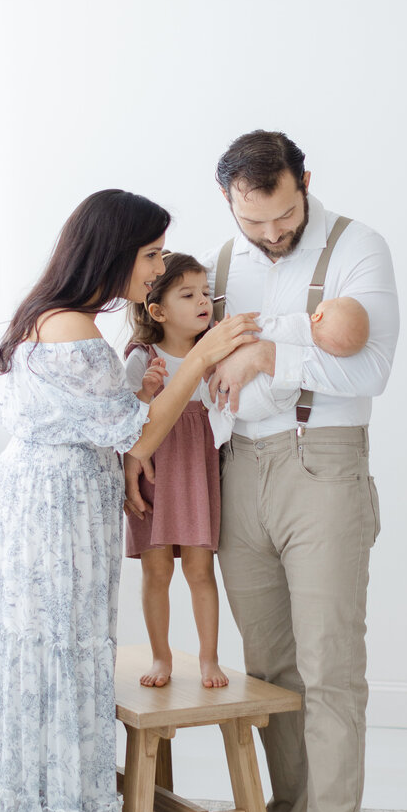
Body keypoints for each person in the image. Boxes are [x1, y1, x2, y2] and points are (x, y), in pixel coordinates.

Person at [0, 190, 259, 812]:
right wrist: (201, 358)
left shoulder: (54, 316)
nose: (157, 270)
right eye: (150, 255)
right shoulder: (75, 329)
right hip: (47, 520)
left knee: (34, 689)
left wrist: (131, 433)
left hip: (34, 506)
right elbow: (137, 431)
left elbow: (103, 425)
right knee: (54, 686)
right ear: (111, 252)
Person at [126, 130, 399, 812]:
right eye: (254, 222)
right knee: (272, 669)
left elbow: (371, 369)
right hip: (236, 468)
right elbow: (189, 354)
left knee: (330, 670)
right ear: (228, 202)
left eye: (283, 216)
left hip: (324, 462)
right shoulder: (218, 262)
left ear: (304, 181)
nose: (271, 234)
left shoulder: (358, 248)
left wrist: (269, 355)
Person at [124, 252, 246, 689]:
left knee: (199, 571)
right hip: (154, 473)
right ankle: (161, 657)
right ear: (158, 311)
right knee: (157, 572)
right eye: (189, 295)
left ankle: (209, 659)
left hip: (196, 472)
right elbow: (124, 420)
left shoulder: (213, 353)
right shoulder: (142, 357)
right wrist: (147, 392)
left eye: (206, 293)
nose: (203, 302)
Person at [203, 297, 369, 447]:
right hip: (261, 406)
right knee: (291, 390)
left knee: (213, 385)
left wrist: (234, 330)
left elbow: (265, 328)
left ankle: (217, 411)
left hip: (241, 394)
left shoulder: (299, 325)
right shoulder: (315, 356)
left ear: (317, 316)